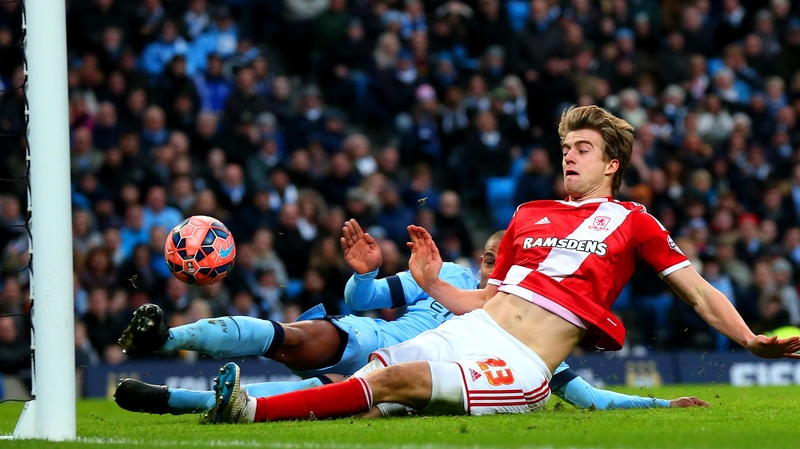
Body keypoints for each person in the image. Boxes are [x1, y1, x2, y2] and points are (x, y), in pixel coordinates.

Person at [205, 105, 800, 424]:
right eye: (565, 148)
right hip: (475, 328)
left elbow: (697, 291)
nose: (569, 157)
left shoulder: (633, 221)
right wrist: (431, 282)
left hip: (521, 362)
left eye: (583, 149)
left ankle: (246, 410)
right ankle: (210, 404)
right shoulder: (527, 214)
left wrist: (748, 338)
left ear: (612, 164)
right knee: (371, 384)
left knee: (389, 384)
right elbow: (487, 298)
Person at [115, 219, 704, 415]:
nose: (495, 268)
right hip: (375, 335)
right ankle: (167, 336)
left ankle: (171, 400)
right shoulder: (452, 279)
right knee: (290, 336)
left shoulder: (526, 320)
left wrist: (657, 405)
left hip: (411, 366)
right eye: (490, 259)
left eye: (505, 261)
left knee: (313, 392)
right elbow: (362, 299)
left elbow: (587, 395)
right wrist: (365, 273)